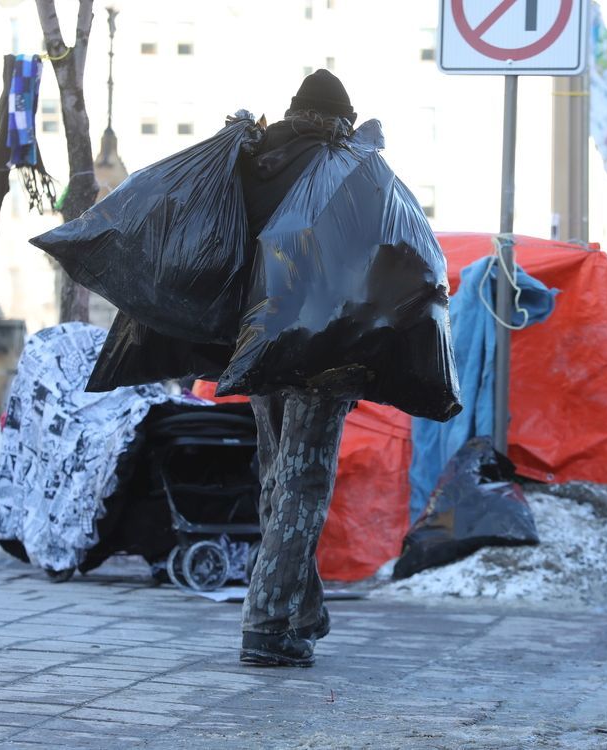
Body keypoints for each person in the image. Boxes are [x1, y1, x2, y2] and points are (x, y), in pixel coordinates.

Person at [238, 70, 359, 667]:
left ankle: (302, 610)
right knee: (303, 486)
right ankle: (267, 625)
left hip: (257, 342)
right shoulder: (340, 170)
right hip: (318, 350)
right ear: (336, 122)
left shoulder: (251, 159)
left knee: (275, 478)